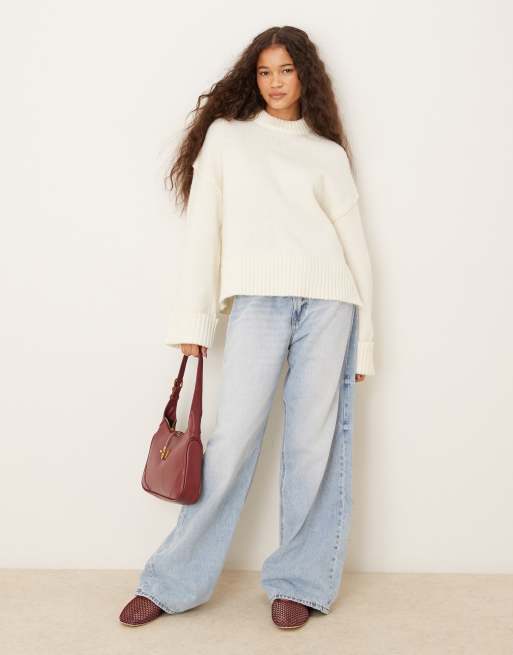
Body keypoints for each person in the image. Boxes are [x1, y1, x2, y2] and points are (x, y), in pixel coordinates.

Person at [119, 24, 375, 631]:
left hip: (331, 303)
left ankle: (300, 583)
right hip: (257, 302)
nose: (275, 82)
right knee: (231, 440)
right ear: (252, 78)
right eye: (264, 71)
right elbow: (203, 231)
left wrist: (365, 343)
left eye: (286, 70)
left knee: (313, 447)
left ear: (304, 76)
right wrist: (195, 319)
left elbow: (356, 251)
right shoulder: (228, 138)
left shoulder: (326, 153)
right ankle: (172, 583)